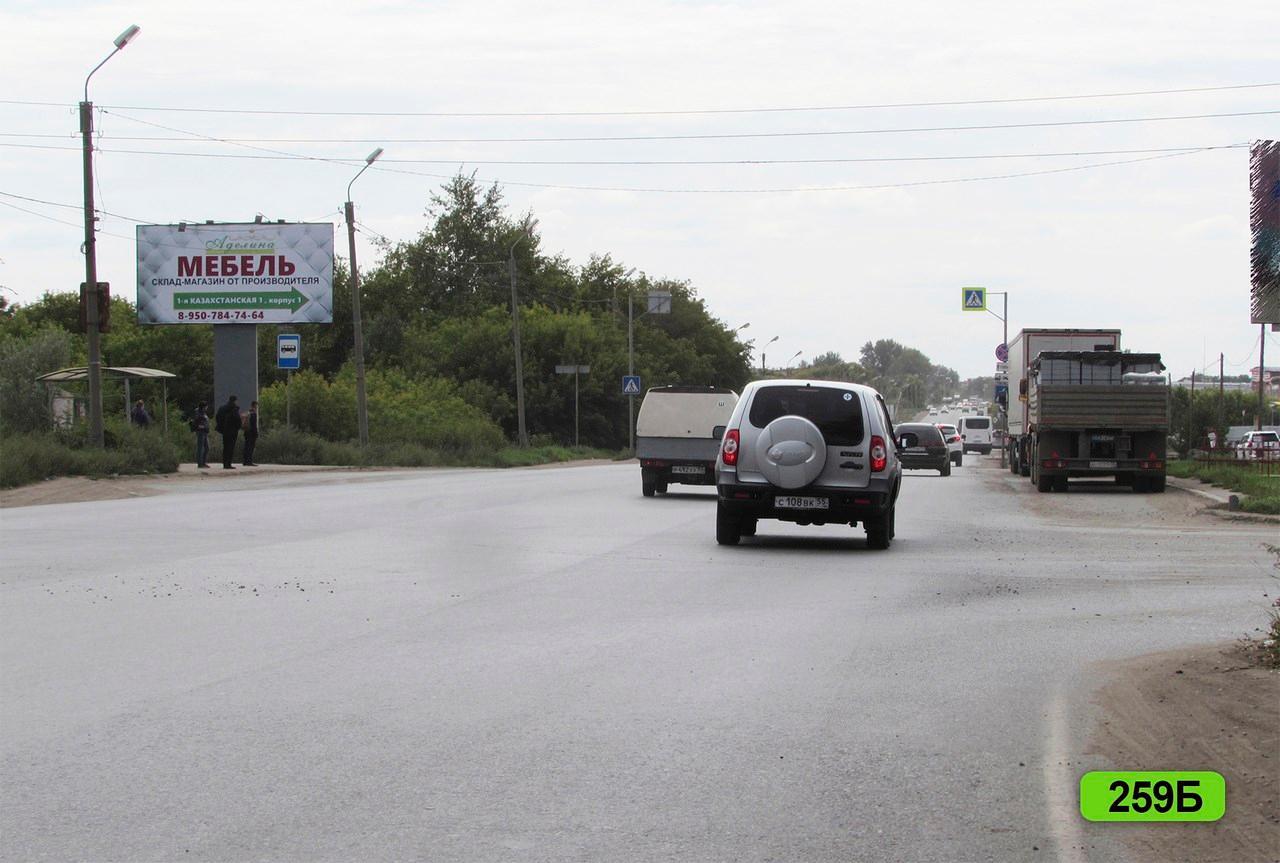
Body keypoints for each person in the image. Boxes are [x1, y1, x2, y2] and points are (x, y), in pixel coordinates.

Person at [214, 395, 241, 470]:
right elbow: (237, 420)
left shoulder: (222, 408)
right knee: (230, 447)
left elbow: (217, 417)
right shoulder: (234, 408)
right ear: (235, 400)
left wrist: (221, 427)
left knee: (225, 447)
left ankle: (225, 463)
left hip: (224, 431)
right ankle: (228, 464)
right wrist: (237, 428)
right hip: (232, 431)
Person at [192, 401, 211, 468]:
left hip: (205, 432)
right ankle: (200, 464)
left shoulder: (203, 413)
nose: (207, 408)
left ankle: (203, 462)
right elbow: (197, 423)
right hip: (201, 432)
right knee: (200, 448)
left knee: (207, 448)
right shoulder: (198, 413)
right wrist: (202, 427)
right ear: (203, 407)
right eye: (206, 406)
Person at [243, 400, 260, 466]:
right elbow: (254, 425)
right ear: (255, 405)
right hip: (251, 433)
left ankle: (245, 461)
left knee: (246, 447)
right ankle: (249, 461)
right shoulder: (253, 413)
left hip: (247, 432)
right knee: (250, 447)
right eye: (256, 406)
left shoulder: (248, 412)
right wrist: (256, 433)